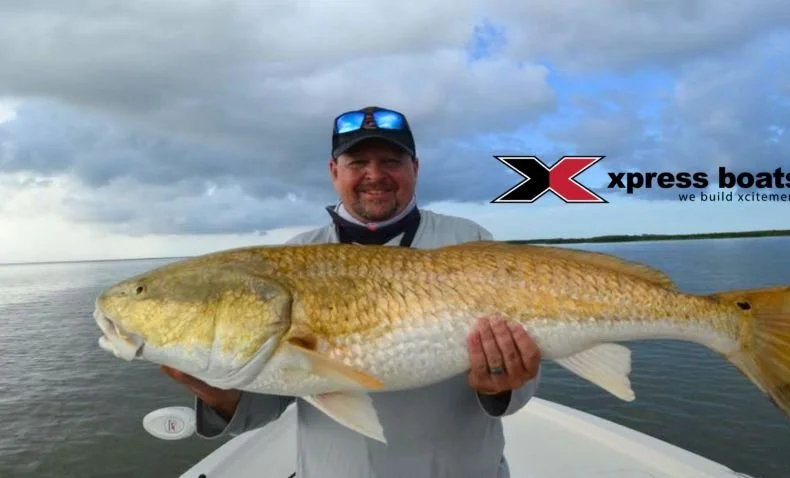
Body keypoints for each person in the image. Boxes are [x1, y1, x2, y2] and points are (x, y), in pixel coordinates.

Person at [162, 106, 544, 478]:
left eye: (391, 161)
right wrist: (222, 396)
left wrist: (503, 387)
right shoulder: (292, 259)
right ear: (334, 171)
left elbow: (523, 374)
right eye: (357, 162)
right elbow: (272, 395)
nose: (374, 175)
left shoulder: (470, 241)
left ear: (416, 168)